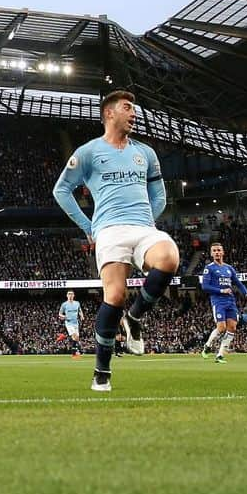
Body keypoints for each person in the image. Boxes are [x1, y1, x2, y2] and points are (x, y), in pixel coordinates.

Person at [53, 89, 176, 392]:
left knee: (169, 257)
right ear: (109, 113)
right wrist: (89, 227)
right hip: (108, 229)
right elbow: (61, 190)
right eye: (127, 108)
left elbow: (159, 194)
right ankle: (102, 372)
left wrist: (150, 218)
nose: (133, 114)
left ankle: (134, 318)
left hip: (143, 227)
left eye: (134, 109)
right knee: (115, 295)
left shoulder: (145, 152)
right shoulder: (88, 151)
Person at [199, 242, 247, 363]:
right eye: (214, 251)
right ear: (211, 253)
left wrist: (246, 293)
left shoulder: (229, 268)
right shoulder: (209, 268)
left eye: (219, 250)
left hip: (230, 301)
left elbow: (238, 283)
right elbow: (205, 286)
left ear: (223, 252)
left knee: (232, 327)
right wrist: (221, 290)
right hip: (218, 301)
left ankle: (220, 355)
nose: (217, 252)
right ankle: (207, 346)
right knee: (221, 327)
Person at [58, 290, 82, 358]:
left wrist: (81, 315)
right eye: (69, 294)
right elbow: (60, 314)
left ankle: (65, 336)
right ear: (67, 296)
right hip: (69, 323)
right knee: (74, 335)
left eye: (71, 294)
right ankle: (74, 353)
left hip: (76, 322)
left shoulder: (77, 303)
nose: (70, 295)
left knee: (77, 338)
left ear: (74, 295)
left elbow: (79, 310)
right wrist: (64, 316)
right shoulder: (64, 304)